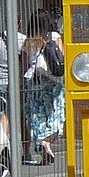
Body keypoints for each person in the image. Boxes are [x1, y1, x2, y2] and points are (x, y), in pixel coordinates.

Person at [21, 21, 66, 165]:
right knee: (56, 114)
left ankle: (42, 143)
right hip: (53, 83)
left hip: (34, 82)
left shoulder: (28, 42)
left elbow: (23, 66)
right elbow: (63, 58)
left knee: (35, 116)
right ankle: (47, 142)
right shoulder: (54, 36)